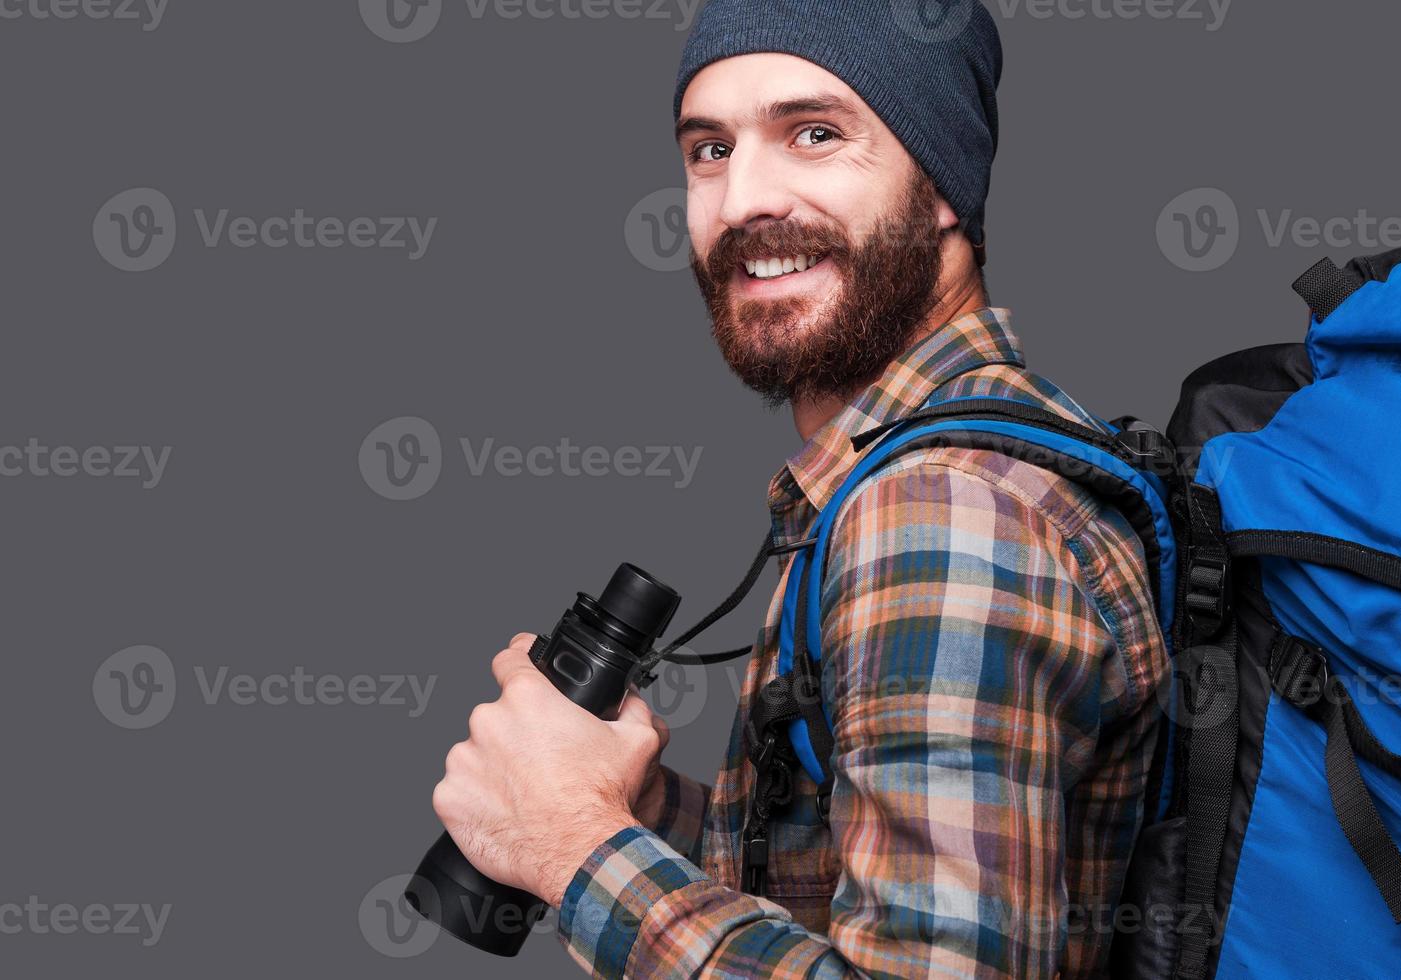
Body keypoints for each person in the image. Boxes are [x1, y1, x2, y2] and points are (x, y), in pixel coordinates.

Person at [429, 3, 1169, 976]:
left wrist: (574, 844)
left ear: (942, 183)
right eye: (710, 149)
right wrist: (642, 816)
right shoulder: (961, 458)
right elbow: (869, 887)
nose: (742, 201)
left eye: (813, 134)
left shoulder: (942, 513)